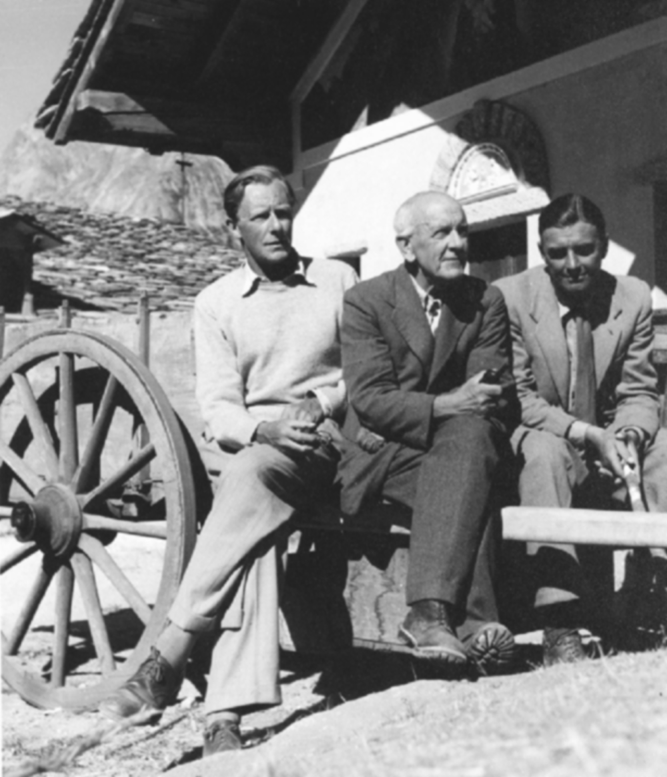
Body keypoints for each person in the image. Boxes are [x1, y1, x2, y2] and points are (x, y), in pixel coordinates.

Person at [99, 165, 357, 755]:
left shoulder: (336, 279)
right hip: (256, 447)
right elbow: (218, 408)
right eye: (261, 216)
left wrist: (315, 406)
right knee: (254, 527)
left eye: (284, 212)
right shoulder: (216, 303)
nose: (276, 226)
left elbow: (363, 374)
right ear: (232, 230)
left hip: (328, 444)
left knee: (247, 488)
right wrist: (265, 427)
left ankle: (169, 653)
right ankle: (224, 718)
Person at [339, 190, 518, 674]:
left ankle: (434, 617)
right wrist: (446, 405)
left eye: (463, 231)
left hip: (445, 445)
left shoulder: (484, 300)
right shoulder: (367, 301)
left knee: (471, 444)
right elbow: (371, 400)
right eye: (442, 233)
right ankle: (469, 619)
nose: (459, 243)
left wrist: (446, 413)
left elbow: (490, 395)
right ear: (406, 246)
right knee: (467, 465)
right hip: (378, 456)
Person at [495, 193, 667, 665]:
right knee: (545, 454)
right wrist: (587, 434)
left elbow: (639, 391)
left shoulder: (631, 297)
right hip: (545, 435)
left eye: (584, 250)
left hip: (608, 439)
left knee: (664, 449)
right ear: (541, 252)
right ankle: (560, 622)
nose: (571, 265)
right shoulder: (511, 298)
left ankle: (651, 597)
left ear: (605, 246)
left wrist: (629, 435)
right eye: (557, 254)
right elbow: (520, 399)